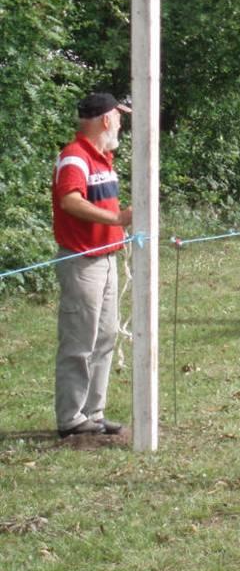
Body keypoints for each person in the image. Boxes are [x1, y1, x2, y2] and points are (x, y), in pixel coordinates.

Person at [52, 92, 133, 437]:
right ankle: (71, 418)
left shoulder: (104, 158)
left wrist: (115, 227)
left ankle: (93, 413)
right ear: (105, 119)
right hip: (82, 261)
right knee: (79, 341)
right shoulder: (75, 158)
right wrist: (117, 217)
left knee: (105, 337)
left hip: (106, 259)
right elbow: (70, 201)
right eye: (119, 116)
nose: (121, 122)